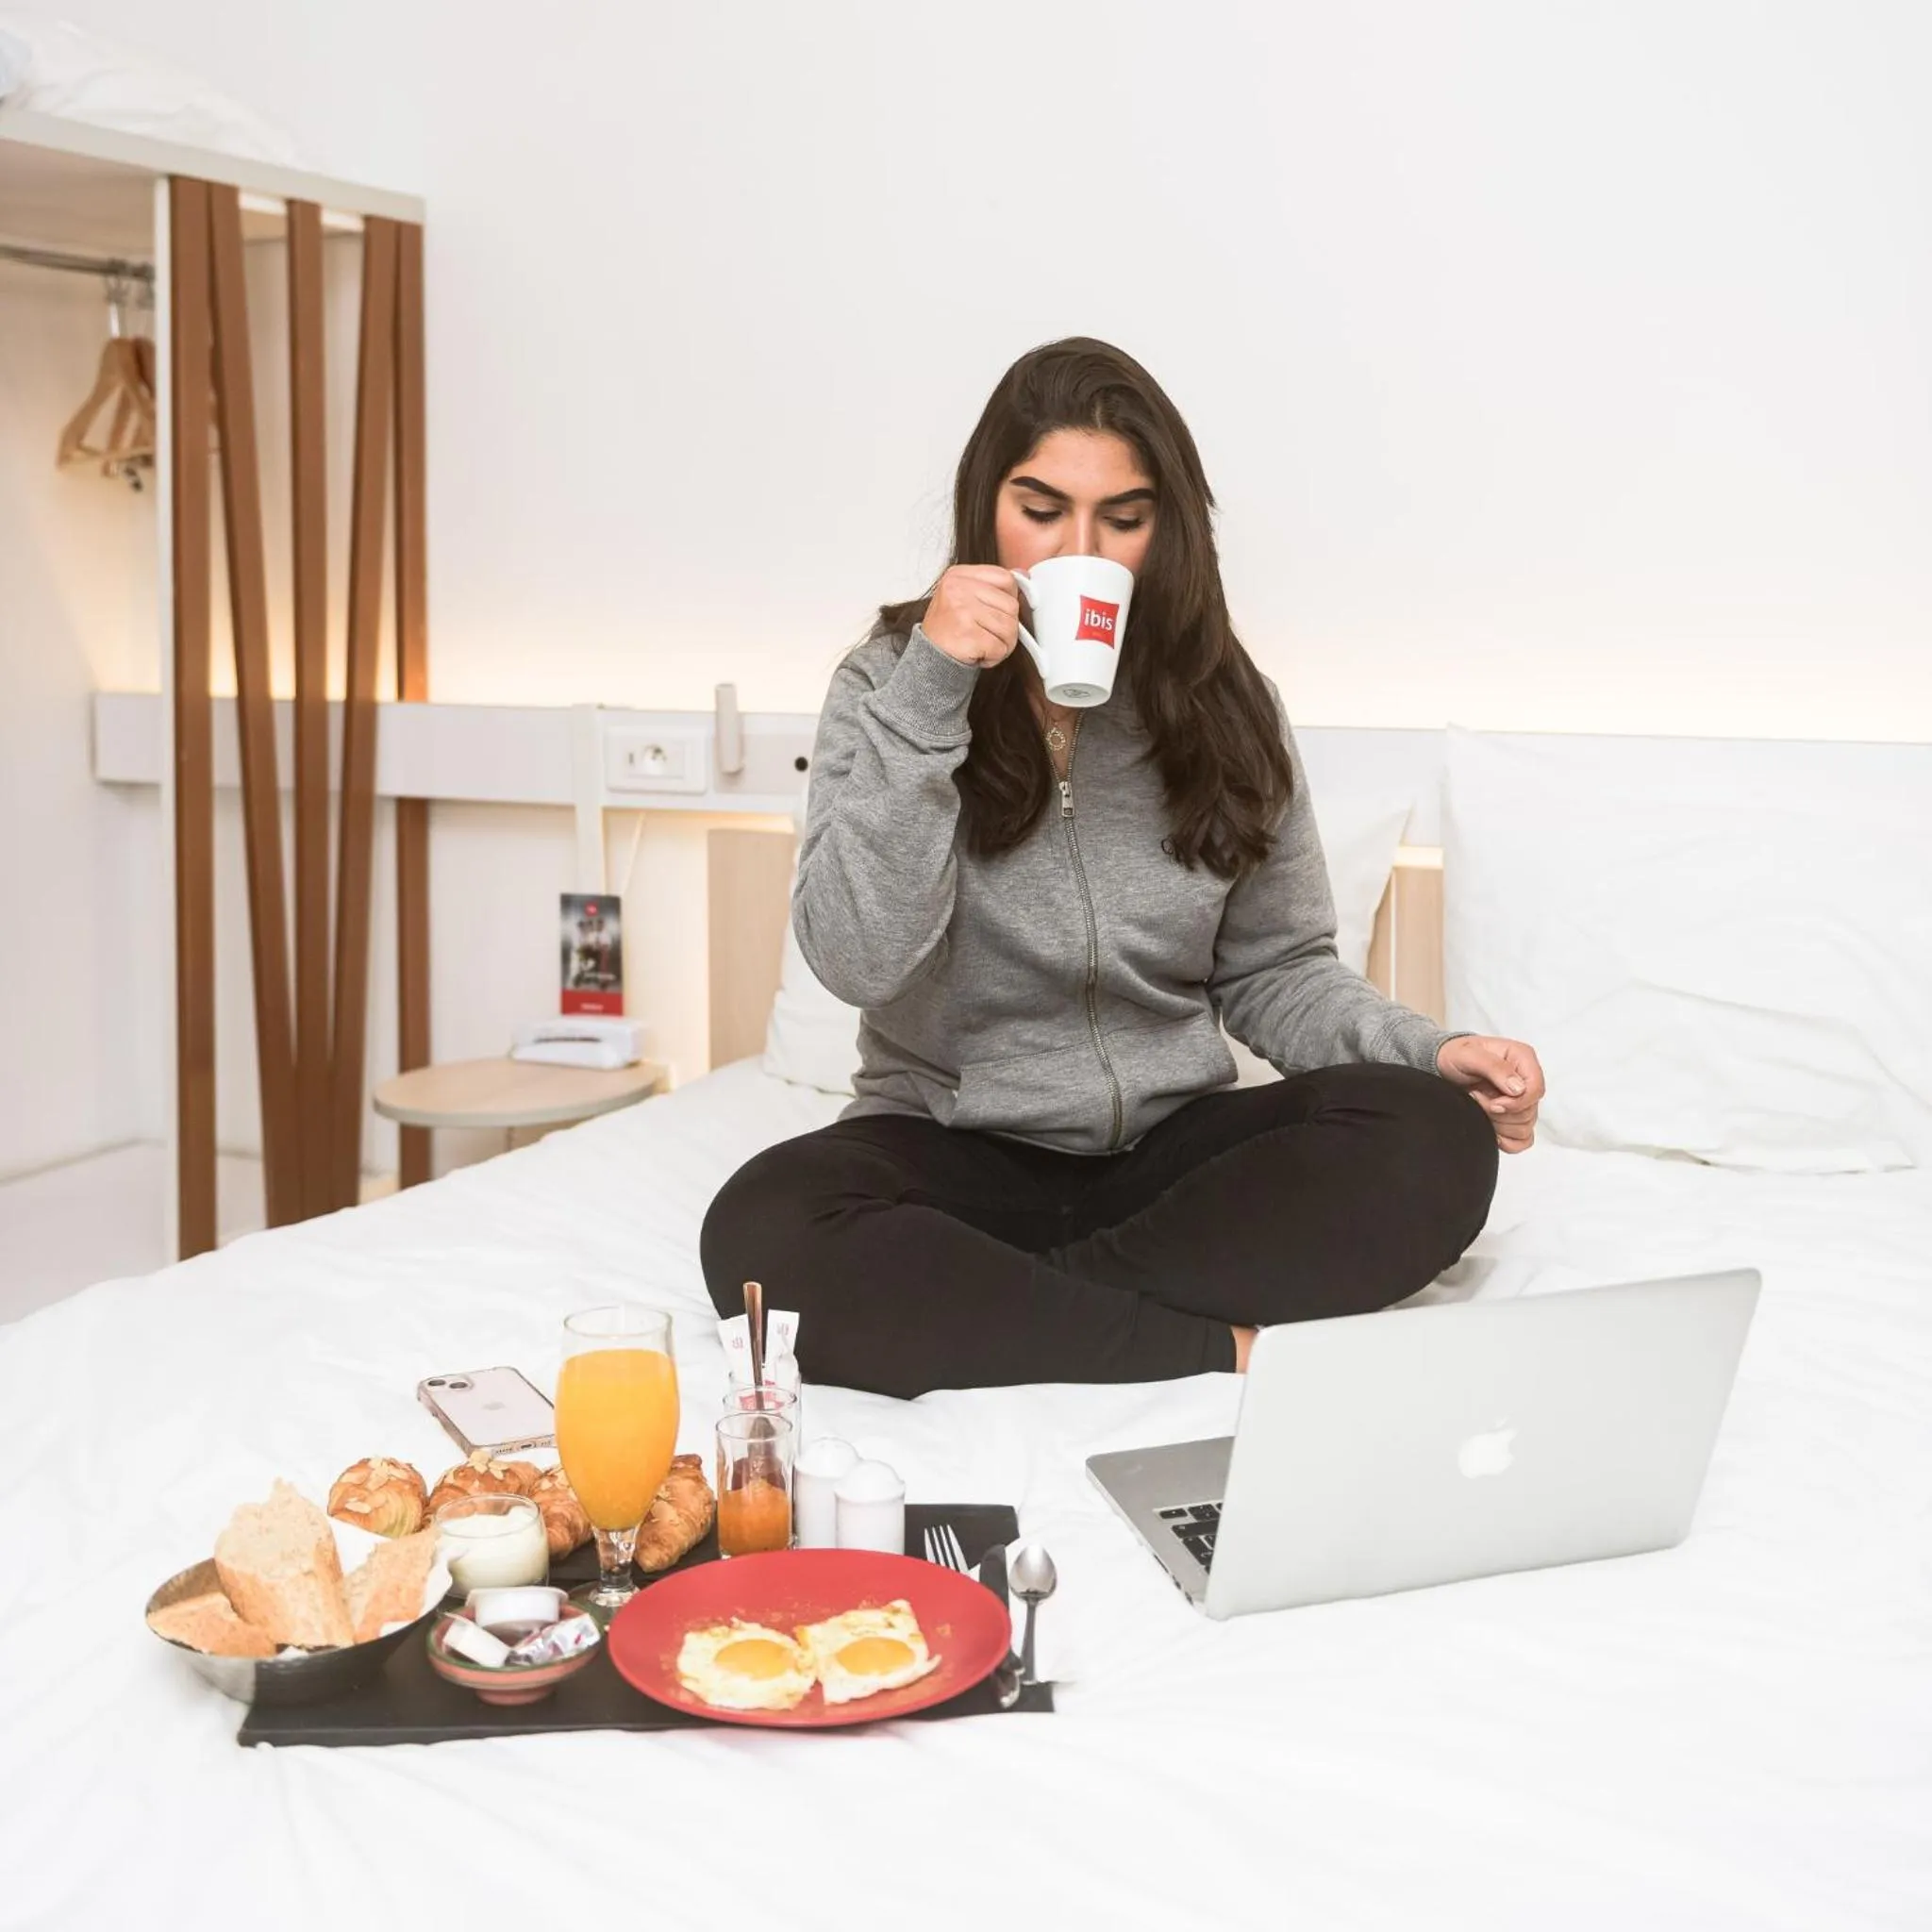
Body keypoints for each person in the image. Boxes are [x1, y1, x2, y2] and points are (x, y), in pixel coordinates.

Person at [702, 338, 1545, 1399]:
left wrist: (1434, 1049)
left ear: (1167, 529)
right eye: (1039, 508)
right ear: (984, 509)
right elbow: (859, 959)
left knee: (1433, 1138)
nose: (1075, 551)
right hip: (953, 1154)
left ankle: (1009, 1314)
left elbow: (1277, 969)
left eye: (1122, 518)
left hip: (1170, 1154)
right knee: (759, 1231)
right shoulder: (887, 684)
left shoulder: (1229, 704)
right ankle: (1199, 1345)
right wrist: (933, 688)